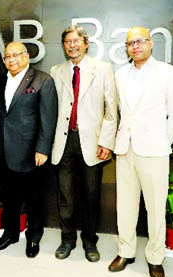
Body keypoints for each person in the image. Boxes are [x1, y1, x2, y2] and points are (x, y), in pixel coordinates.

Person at [106, 27, 173, 277]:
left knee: (155, 207)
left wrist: (162, 141)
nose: (135, 46)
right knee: (125, 205)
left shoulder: (167, 72)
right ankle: (125, 252)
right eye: (130, 43)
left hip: (155, 150)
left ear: (151, 43)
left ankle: (155, 258)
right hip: (125, 148)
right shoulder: (120, 73)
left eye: (140, 41)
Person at [49, 25, 117, 262]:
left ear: (86, 43)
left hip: (93, 142)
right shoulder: (56, 70)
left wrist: (106, 141)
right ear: (64, 45)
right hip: (64, 140)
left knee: (91, 195)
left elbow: (111, 109)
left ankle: (90, 241)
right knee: (65, 195)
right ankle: (67, 240)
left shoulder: (103, 69)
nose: (72, 45)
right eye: (67, 41)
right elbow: (51, 109)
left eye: (76, 40)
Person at [0, 42, 58, 258]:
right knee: (9, 196)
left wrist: (43, 148)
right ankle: (10, 233)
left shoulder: (42, 80)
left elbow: (48, 118)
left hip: (31, 151)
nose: (12, 60)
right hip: (3, 150)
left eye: (16, 55)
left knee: (34, 198)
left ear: (27, 56)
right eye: (7, 56)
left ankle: (34, 237)